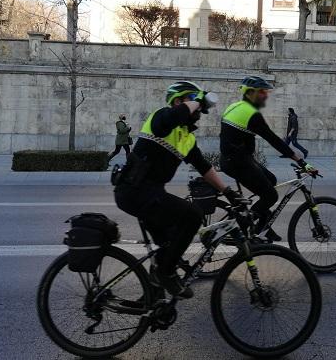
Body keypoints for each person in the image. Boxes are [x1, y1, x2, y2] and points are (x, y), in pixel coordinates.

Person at [114, 81, 240, 299]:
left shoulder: (186, 137)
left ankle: (152, 300)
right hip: (135, 191)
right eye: (195, 105)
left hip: (150, 194)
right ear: (179, 101)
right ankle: (165, 273)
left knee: (169, 244)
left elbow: (204, 167)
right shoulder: (162, 118)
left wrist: (228, 191)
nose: (199, 111)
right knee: (193, 215)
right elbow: (172, 117)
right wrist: (197, 100)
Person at [219, 76, 316, 242]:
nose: (266, 95)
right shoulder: (251, 114)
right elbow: (274, 140)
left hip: (234, 160)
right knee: (271, 196)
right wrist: (301, 161)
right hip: (238, 162)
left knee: (271, 180)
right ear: (250, 93)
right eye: (262, 92)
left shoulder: (233, 107)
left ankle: (265, 226)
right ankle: (247, 227)